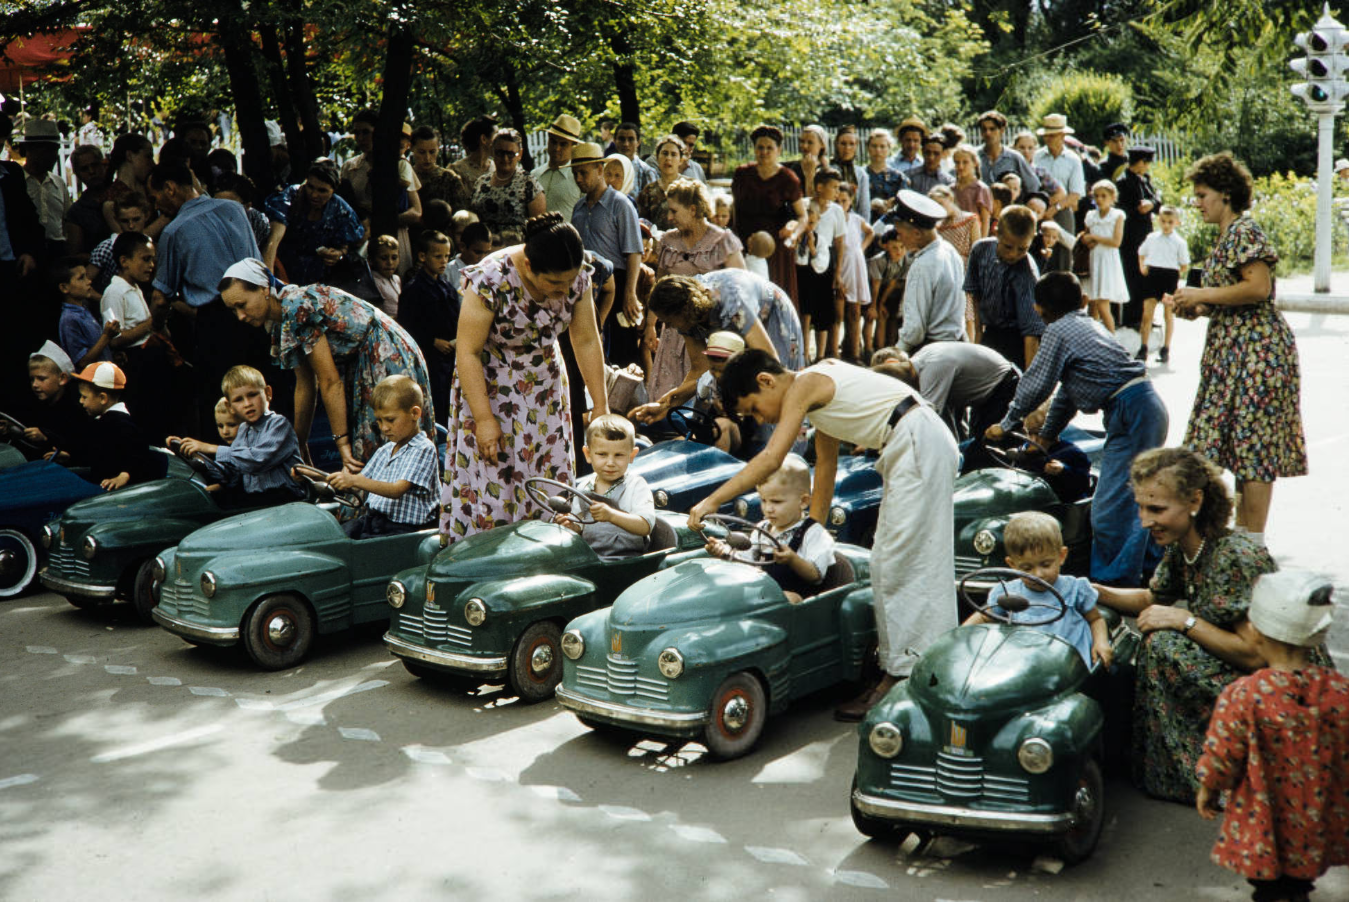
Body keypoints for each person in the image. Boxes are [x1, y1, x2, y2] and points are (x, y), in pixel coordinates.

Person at [692, 351, 958, 721]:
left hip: (915, 440)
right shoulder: (818, 389)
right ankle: (909, 667)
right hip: (912, 441)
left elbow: (771, 458)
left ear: (767, 381)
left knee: (897, 563)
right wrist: (810, 530)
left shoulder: (804, 386)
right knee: (897, 561)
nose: (761, 418)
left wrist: (710, 501)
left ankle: (903, 676)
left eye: (754, 408)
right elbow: (827, 462)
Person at [1093, 447, 1329, 804]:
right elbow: (1151, 598)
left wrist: (1185, 620)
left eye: (1156, 509)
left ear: (1195, 501)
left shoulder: (1233, 556)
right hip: (1254, 676)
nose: (1143, 521)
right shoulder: (1185, 546)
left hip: (1286, 686)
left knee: (1162, 644)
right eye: (1141, 507)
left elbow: (1255, 655)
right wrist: (1088, 590)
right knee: (1160, 638)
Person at [989, 271, 1167, 586]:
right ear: (1082, 301)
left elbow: (1036, 385)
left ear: (1038, 309)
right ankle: (1152, 571)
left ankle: (1112, 584)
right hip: (1141, 404)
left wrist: (1007, 424)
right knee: (1139, 495)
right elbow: (1066, 395)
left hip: (1132, 409)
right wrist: (1044, 437)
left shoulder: (1058, 330)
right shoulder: (1089, 324)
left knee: (1111, 508)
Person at [440, 213, 609, 541]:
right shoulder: (491, 277)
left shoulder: (576, 273)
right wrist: (484, 420)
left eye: (568, 284)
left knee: (547, 482)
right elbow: (468, 352)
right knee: (493, 483)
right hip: (490, 389)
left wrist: (600, 405)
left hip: (545, 387)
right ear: (529, 266)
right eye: (555, 285)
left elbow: (586, 339)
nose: (563, 293)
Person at [1168, 152, 1307, 542]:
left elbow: (1258, 288)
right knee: (1218, 447)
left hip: (1257, 354)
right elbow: (1232, 296)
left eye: (1202, 194)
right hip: (1234, 353)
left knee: (1254, 452)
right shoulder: (1227, 236)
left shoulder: (1245, 231)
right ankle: (1228, 541)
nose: (1197, 203)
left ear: (1226, 194)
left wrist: (1202, 292)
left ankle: (1250, 546)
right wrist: (1196, 307)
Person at [1196, 570, 1348, 902]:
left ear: (1255, 631)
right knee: (1298, 881)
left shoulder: (1244, 695)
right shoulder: (1339, 691)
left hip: (1263, 818)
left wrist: (1209, 786)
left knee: (1269, 888)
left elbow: (1223, 753)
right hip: (1317, 816)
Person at [218, 257, 435, 471]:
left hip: (384, 352)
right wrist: (299, 443)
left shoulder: (296, 307)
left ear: (264, 289)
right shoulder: (281, 320)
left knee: (386, 441)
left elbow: (329, 381)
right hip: (362, 359)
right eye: (233, 310)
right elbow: (305, 385)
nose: (240, 316)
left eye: (242, 305)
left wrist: (341, 443)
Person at [148, 160, 265, 437]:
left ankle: (224, 465)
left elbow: (161, 298)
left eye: (156, 198)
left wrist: (158, 326)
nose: (156, 207)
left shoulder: (173, 232)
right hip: (258, 311)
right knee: (258, 394)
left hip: (216, 323)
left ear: (170, 188)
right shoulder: (235, 209)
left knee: (222, 400)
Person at [632, 270, 805, 426]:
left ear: (683, 311)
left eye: (668, 322)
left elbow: (769, 360)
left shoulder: (730, 302)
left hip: (770, 314)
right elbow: (701, 368)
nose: (668, 328)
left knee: (773, 384)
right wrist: (668, 404)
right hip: (734, 319)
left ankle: (785, 442)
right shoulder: (685, 318)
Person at [961, 511, 1112, 669]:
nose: (1038, 574)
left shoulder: (1074, 589)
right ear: (1012, 565)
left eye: (1046, 564)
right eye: (1027, 568)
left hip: (1069, 667)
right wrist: (957, 637)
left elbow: (1095, 619)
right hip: (1025, 667)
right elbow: (984, 618)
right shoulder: (1007, 593)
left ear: (1061, 556)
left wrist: (1100, 642)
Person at [647, 178, 746, 401]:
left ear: (692, 209)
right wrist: (650, 325)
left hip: (709, 328)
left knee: (706, 387)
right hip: (674, 328)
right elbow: (659, 288)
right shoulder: (667, 241)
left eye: (674, 211)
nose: (669, 217)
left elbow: (740, 287)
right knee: (670, 386)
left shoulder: (722, 241)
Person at [704, 453, 835, 604]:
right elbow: (747, 561)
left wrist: (792, 559)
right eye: (763, 500)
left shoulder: (813, 532)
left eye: (776, 502)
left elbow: (815, 576)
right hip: (765, 595)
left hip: (800, 601)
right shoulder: (762, 529)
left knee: (789, 597)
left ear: (803, 502)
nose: (768, 509)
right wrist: (725, 552)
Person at [170, 365, 304, 507]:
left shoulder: (278, 424)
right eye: (238, 400)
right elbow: (233, 473)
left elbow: (257, 460)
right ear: (230, 407)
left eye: (253, 395)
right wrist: (195, 455)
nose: (247, 404)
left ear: (268, 393)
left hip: (286, 497)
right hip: (258, 498)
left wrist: (210, 448)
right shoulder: (243, 430)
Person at [324, 375, 441, 538]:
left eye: (390, 420)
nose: (384, 428)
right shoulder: (385, 450)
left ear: (414, 413)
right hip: (374, 520)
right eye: (379, 421)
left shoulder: (423, 448)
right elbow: (357, 484)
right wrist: (317, 477)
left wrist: (354, 480)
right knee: (333, 538)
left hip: (403, 529)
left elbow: (396, 490)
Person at [568, 142, 643, 368]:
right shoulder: (578, 208)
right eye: (575, 174)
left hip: (617, 284)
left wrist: (630, 292)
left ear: (600, 170)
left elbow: (633, 251)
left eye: (583, 172)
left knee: (620, 352)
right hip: (586, 285)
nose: (579, 179)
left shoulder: (620, 204)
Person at [872, 342, 1018, 445]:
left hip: (1004, 388)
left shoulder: (933, 370)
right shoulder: (922, 358)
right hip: (986, 393)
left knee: (984, 450)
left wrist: (889, 441)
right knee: (974, 443)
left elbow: (925, 421)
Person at [554, 414, 655, 559]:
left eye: (619, 455)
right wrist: (571, 525)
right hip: (592, 558)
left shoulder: (636, 486)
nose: (610, 462)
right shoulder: (584, 486)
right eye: (602, 454)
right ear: (588, 454)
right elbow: (581, 525)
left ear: (631, 455)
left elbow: (646, 526)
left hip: (626, 559)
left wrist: (611, 515)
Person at [262, 158, 370, 291]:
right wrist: (268, 283)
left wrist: (338, 254)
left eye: (322, 190)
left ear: (333, 190)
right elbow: (273, 240)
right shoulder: (290, 197)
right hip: (283, 270)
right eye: (310, 187)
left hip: (320, 280)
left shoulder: (340, 209)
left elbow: (346, 245)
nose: (314, 194)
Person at [731, 126, 807, 302]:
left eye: (769, 148)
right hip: (744, 243)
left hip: (775, 248)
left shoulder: (788, 178)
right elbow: (734, 209)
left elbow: (802, 217)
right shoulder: (742, 174)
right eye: (760, 147)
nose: (764, 152)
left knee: (774, 299)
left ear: (778, 150)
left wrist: (794, 232)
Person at [963, 205, 1044, 367]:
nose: (1014, 254)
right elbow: (975, 295)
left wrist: (1027, 382)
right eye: (1008, 246)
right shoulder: (980, 250)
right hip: (990, 333)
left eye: (1022, 249)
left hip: (1017, 340)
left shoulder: (1026, 273)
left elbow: (1031, 334)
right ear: (997, 231)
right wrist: (977, 338)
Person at [67, 361, 165, 490]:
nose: (80, 401)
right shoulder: (102, 420)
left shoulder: (121, 423)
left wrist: (124, 475)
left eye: (84, 397)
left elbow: (138, 451)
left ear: (103, 398)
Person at [890, 190, 965, 354]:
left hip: (931, 349)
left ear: (916, 233)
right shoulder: (950, 251)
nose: (899, 239)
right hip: (956, 344)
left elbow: (915, 330)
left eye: (901, 233)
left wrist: (897, 353)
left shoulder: (923, 265)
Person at [397, 230, 459, 418]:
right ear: (423, 256)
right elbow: (406, 327)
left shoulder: (446, 287)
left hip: (450, 357)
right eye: (438, 256)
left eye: (447, 256)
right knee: (435, 403)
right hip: (429, 358)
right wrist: (432, 341)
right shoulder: (414, 289)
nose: (443, 261)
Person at [8, 343, 92, 459]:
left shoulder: (77, 408)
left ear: (62, 379)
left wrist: (46, 437)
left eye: (41, 379)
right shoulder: (36, 405)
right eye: (32, 379)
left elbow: (80, 444)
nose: (35, 385)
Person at [797, 170, 847, 359]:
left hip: (826, 263)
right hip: (804, 263)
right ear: (820, 187)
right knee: (805, 308)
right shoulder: (805, 205)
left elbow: (840, 243)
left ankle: (821, 355)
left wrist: (838, 272)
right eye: (833, 187)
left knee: (824, 310)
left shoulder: (837, 211)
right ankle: (804, 353)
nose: (837, 192)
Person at [1033, 114, 1086, 272]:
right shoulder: (1037, 156)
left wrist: (1055, 209)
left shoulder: (1073, 159)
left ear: (1063, 135)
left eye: (1052, 135)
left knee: (1062, 256)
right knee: (1039, 251)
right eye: (1046, 135)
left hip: (1062, 211)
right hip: (1039, 210)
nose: (1048, 139)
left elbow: (1076, 193)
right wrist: (1043, 211)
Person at [1136, 205, 1189, 363]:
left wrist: (1176, 274)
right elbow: (1141, 252)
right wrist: (1143, 267)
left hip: (1169, 277)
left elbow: (1184, 264)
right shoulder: (1152, 237)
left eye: (1170, 222)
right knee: (1147, 314)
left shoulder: (1179, 242)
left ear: (1176, 223)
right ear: (1159, 220)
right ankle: (1143, 347)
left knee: (1168, 314)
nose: (1166, 225)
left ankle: (1166, 348)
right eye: (1163, 221)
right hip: (1153, 276)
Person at [1117, 145, 1162, 328]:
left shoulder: (1145, 180)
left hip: (1145, 234)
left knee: (1146, 274)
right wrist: (1137, 210)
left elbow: (1158, 201)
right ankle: (1132, 317)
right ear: (1140, 162)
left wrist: (1151, 204)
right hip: (1130, 236)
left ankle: (1146, 316)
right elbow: (1120, 208)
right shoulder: (1122, 182)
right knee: (1132, 275)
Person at [53, 257, 118, 369]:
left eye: (87, 276)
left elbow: (94, 348)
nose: (89, 281)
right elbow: (82, 362)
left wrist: (111, 356)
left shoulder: (84, 310)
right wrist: (106, 336)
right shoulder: (69, 319)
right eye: (81, 278)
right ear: (64, 287)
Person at [1080, 179, 1127, 332]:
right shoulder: (1091, 215)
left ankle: (1112, 341)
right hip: (1093, 259)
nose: (1099, 199)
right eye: (1096, 196)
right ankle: (1095, 341)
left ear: (1113, 197)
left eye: (1103, 196)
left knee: (1102, 303)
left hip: (1108, 260)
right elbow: (1086, 237)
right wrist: (1087, 240)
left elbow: (1116, 242)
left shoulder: (1117, 215)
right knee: (1092, 304)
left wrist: (1095, 238)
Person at [101, 231, 156, 359]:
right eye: (146, 259)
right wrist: (151, 323)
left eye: (152, 259)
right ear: (124, 261)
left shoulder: (135, 287)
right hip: (135, 357)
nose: (151, 265)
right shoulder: (114, 292)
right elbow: (115, 339)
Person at [20, 120, 70, 255]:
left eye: (55, 150)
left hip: (57, 251)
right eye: (47, 150)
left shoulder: (58, 183)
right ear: (30, 150)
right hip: (28, 252)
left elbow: (66, 220)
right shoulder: (17, 183)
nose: (53, 156)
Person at [836, 182, 872, 361]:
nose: (841, 204)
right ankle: (837, 351)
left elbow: (870, 232)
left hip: (855, 264)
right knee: (839, 311)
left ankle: (855, 353)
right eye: (837, 200)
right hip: (840, 264)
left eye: (844, 200)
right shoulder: (833, 218)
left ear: (850, 201)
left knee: (855, 312)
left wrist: (861, 248)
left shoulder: (856, 219)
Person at [409, 125, 471, 215]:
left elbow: (461, 214)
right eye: (422, 152)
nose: (427, 158)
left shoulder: (449, 178)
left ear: (438, 148)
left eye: (432, 152)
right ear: (411, 148)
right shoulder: (405, 177)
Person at [975, 111, 1040, 195]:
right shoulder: (974, 156)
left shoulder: (1014, 157)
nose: (988, 133)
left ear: (1002, 130)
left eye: (992, 129)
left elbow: (1033, 185)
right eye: (984, 129)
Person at [530, 114, 583, 215]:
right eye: (553, 141)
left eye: (563, 144)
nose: (557, 148)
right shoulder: (535, 175)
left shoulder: (579, 178)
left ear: (573, 146)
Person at [867, 226, 910, 350]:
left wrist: (882, 303)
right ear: (886, 247)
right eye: (894, 248)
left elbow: (893, 283)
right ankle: (875, 349)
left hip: (891, 292)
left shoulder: (907, 261)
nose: (899, 251)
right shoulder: (878, 261)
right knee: (878, 316)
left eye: (902, 247)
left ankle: (891, 348)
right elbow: (875, 285)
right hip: (873, 291)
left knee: (892, 317)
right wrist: (876, 305)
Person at [636, 134, 687, 228]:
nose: (668, 158)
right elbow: (642, 224)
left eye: (673, 154)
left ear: (681, 160)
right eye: (664, 153)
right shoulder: (648, 191)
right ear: (657, 158)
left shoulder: (690, 188)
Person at [863, 129, 908, 222]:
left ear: (889, 149)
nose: (878, 150)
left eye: (882, 146)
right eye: (874, 146)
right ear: (868, 148)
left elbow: (904, 206)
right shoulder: (861, 174)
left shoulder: (898, 177)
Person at [951, 143, 993, 240]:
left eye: (965, 162)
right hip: (955, 238)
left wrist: (980, 245)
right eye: (957, 162)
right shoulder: (951, 189)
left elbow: (985, 221)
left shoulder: (981, 189)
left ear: (975, 163)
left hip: (973, 238)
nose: (960, 166)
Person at [829, 126, 871, 217]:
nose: (847, 148)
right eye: (843, 144)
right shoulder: (828, 170)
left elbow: (864, 208)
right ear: (836, 144)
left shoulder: (861, 174)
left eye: (851, 144)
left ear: (856, 146)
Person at [612, 123, 658, 198]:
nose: (626, 144)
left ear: (638, 142)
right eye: (621, 139)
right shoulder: (606, 168)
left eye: (631, 139)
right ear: (614, 141)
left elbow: (651, 204)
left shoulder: (646, 172)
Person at [446, 221, 492, 294]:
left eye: (486, 252)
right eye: (478, 252)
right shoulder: (448, 272)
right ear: (462, 247)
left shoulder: (490, 272)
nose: (483, 257)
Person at [451, 116, 496, 187]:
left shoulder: (496, 167)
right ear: (483, 139)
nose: (500, 141)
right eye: (496, 136)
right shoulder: (456, 171)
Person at [908, 133, 955, 197]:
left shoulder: (948, 182)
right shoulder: (909, 176)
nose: (931, 157)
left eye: (936, 153)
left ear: (943, 154)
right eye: (927, 153)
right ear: (922, 152)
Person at [369, 233, 402, 315]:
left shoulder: (396, 279)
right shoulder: (374, 282)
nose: (390, 263)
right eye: (384, 258)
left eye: (394, 258)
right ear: (371, 260)